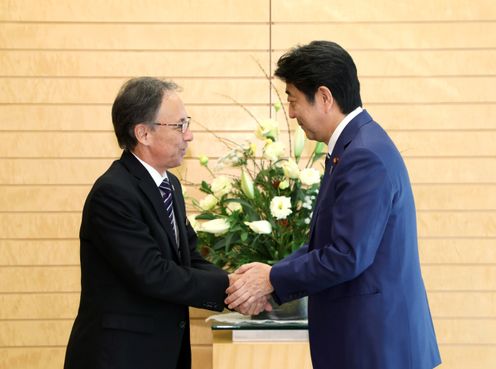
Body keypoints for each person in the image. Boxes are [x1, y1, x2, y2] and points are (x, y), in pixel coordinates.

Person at [226, 41, 441, 369]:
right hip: (368, 342)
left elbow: (346, 255)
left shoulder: (364, 155)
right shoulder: (355, 147)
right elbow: (324, 245)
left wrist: (272, 279)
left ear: (324, 97)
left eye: (294, 100)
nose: (292, 113)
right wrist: (272, 276)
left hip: (375, 347)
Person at [64, 77, 231, 369]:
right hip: (119, 357)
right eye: (180, 125)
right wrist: (231, 287)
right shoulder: (114, 192)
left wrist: (238, 287)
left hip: (162, 353)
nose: (189, 135)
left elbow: (189, 259)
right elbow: (152, 273)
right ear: (143, 133)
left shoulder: (170, 186)